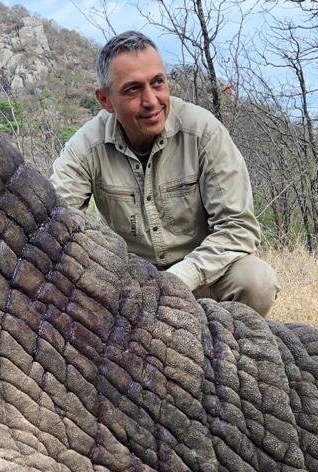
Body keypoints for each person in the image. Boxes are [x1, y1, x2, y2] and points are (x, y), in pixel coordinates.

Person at [50, 31, 279, 317]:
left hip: (202, 275)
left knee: (256, 281)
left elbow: (237, 228)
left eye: (157, 82)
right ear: (105, 100)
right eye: (133, 89)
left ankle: (232, 357)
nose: (151, 100)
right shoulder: (85, 147)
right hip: (130, 284)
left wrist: (178, 280)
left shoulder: (204, 131)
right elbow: (55, 223)